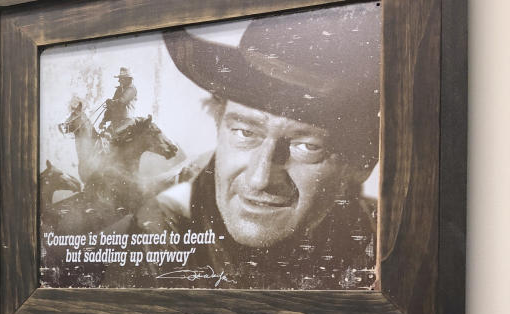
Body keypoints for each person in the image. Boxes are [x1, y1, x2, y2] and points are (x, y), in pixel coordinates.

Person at [114, 5, 380, 290]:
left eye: (306, 146)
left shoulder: (379, 240)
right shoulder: (155, 238)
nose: (260, 178)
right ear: (219, 128)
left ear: (359, 165)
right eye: (244, 132)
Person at [98, 67, 138, 136]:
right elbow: (112, 106)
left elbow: (121, 102)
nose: (119, 81)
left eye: (121, 78)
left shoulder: (132, 89)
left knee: (113, 136)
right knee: (103, 137)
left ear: (128, 79)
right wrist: (104, 120)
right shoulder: (119, 90)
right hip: (116, 122)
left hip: (127, 121)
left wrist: (111, 102)